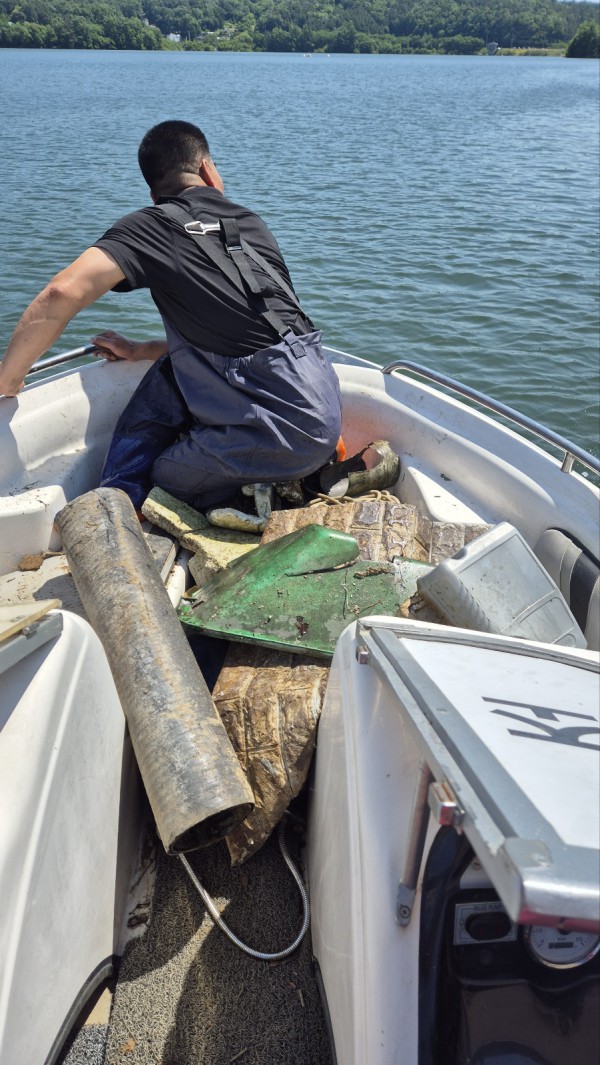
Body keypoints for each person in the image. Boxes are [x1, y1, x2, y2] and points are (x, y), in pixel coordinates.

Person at [0, 120, 342, 512]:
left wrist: (9, 378)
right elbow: (248, 337)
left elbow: (61, 292)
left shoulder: (152, 226)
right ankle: (285, 471)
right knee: (171, 368)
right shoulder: (250, 224)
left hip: (287, 434)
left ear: (154, 193)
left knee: (161, 477)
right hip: (321, 402)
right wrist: (139, 349)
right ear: (208, 170)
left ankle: (131, 500)